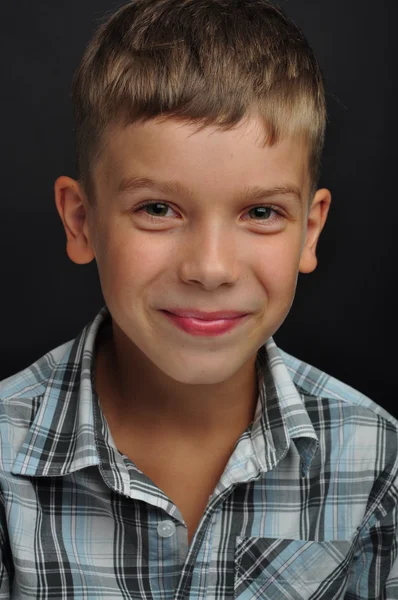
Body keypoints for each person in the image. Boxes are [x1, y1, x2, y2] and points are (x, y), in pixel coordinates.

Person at [0, 0, 396, 597]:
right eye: (157, 209)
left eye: (261, 212)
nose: (210, 269)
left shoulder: (377, 461)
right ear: (81, 221)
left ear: (309, 232)